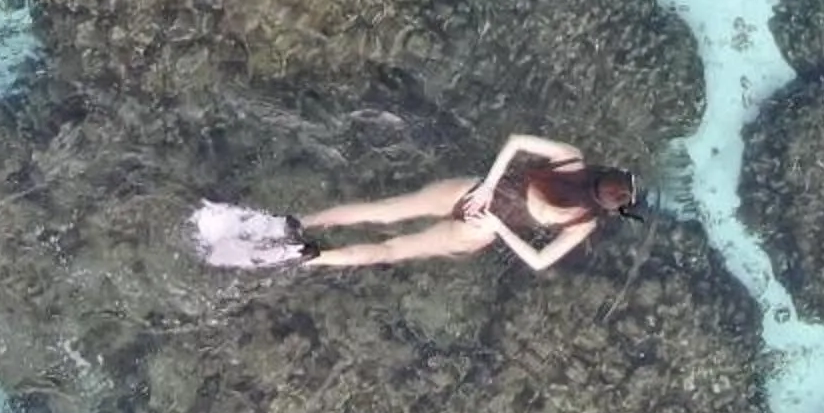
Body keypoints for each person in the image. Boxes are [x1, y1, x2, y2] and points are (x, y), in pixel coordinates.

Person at [190, 134, 640, 274]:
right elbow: (539, 262)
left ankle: (293, 223)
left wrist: (489, 185)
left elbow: (517, 140)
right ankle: (310, 256)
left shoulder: (570, 159)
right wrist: (499, 227)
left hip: (476, 191)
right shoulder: (583, 224)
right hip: (482, 227)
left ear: (601, 173)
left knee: (380, 210)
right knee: (389, 250)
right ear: (608, 206)